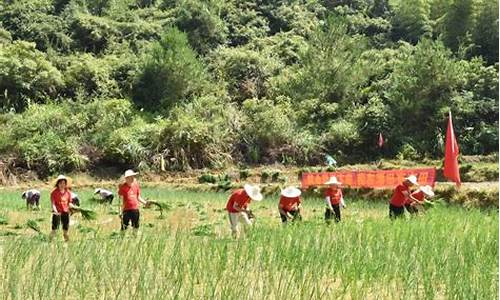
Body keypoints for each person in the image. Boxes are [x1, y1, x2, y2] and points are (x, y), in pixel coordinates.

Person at [50, 175, 77, 242]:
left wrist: (74, 208)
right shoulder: (54, 193)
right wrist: (55, 211)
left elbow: (69, 203)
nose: (62, 185)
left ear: (65, 184)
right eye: (60, 183)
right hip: (57, 213)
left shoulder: (68, 192)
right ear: (58, 184)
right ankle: (50, 242)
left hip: (65, 212)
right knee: (54, 229)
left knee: (65, 230)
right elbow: (53, 203)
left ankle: (67, 243)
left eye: (64, 183)